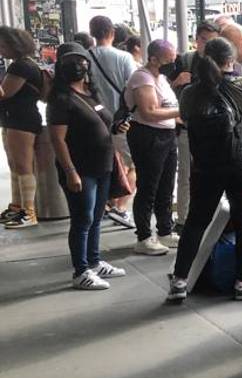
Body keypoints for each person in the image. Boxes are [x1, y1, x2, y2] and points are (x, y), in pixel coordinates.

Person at [166, 37, 242, 303]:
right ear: (231, 60)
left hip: (206, 167)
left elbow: (185, 119)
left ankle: (179, 281)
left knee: (196, 222)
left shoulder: (190, 93)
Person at [47, 42, 130, 288]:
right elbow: (57, 139)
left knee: (95, 217)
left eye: (81, 60)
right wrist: (70, 171)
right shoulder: (61, 100)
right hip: (81, 169)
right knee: (82, 219)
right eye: (71, 61)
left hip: (102, 165)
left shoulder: (91, 93)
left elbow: (102, 122)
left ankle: (94, 262)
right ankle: (80, 271)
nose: (78, 66)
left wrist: (116, 127)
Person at [124, 39, 181, 255]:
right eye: (169, 60)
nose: (172, 64)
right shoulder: (142, 77)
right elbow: (149, 112)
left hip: (167, 135)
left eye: (174, 59)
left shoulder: (162, 78)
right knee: (149, 187)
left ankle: (165, 230)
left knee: (166, 185)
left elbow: (166, 108)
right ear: (154, 59)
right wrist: (181, 112)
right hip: (148, 136)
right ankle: (144, 236)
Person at [86, 16, 139, 229]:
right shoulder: (124, 57)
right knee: (134, 164)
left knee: (106, 164)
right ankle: (121, 207)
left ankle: (106, 205)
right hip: (121, 120)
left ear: (92, 33)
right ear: (112, 33)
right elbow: (134, 86)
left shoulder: (85, 57)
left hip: (94, 120)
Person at [170, 21, 220, 232]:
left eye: (212, 41)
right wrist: (177, 82)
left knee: (212, 174)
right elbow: (165, 90)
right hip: (188, 126)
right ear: (196, 39)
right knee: (186, 174)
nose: (206, 45)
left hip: (213, 128)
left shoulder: (220, 61)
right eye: (203, 40)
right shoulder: (185, 60)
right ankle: (183, 219)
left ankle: (211, 218)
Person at [0, 27, 44, 228]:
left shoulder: (21, 67)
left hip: (22, 120)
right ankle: (17, 207)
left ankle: (28, 211)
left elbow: (5, 93)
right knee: (15, 165)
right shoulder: (22, 64)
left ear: (14, 45)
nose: (1, 50)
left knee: (23, 166)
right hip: (13, 120)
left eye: (3, 45)